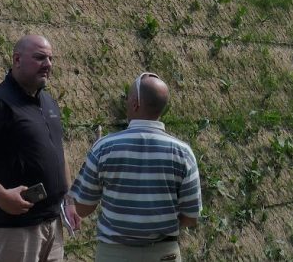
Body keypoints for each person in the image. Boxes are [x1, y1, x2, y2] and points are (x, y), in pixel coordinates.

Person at [0, 34, 81, 262]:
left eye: (51, 59)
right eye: (40, 57)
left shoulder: (48, 102)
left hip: (52, 224)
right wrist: (1, 196)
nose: (48, 64)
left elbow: (58, 154)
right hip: (13, 230)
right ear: (17, 59)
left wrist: (68, 200)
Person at [67, 72, 202, 262]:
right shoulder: (183, 152)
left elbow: (82, 207)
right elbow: (191, 217)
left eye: (127, 98)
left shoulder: (104, 147)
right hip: (164, 254)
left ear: (135, 103)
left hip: (114, 255)